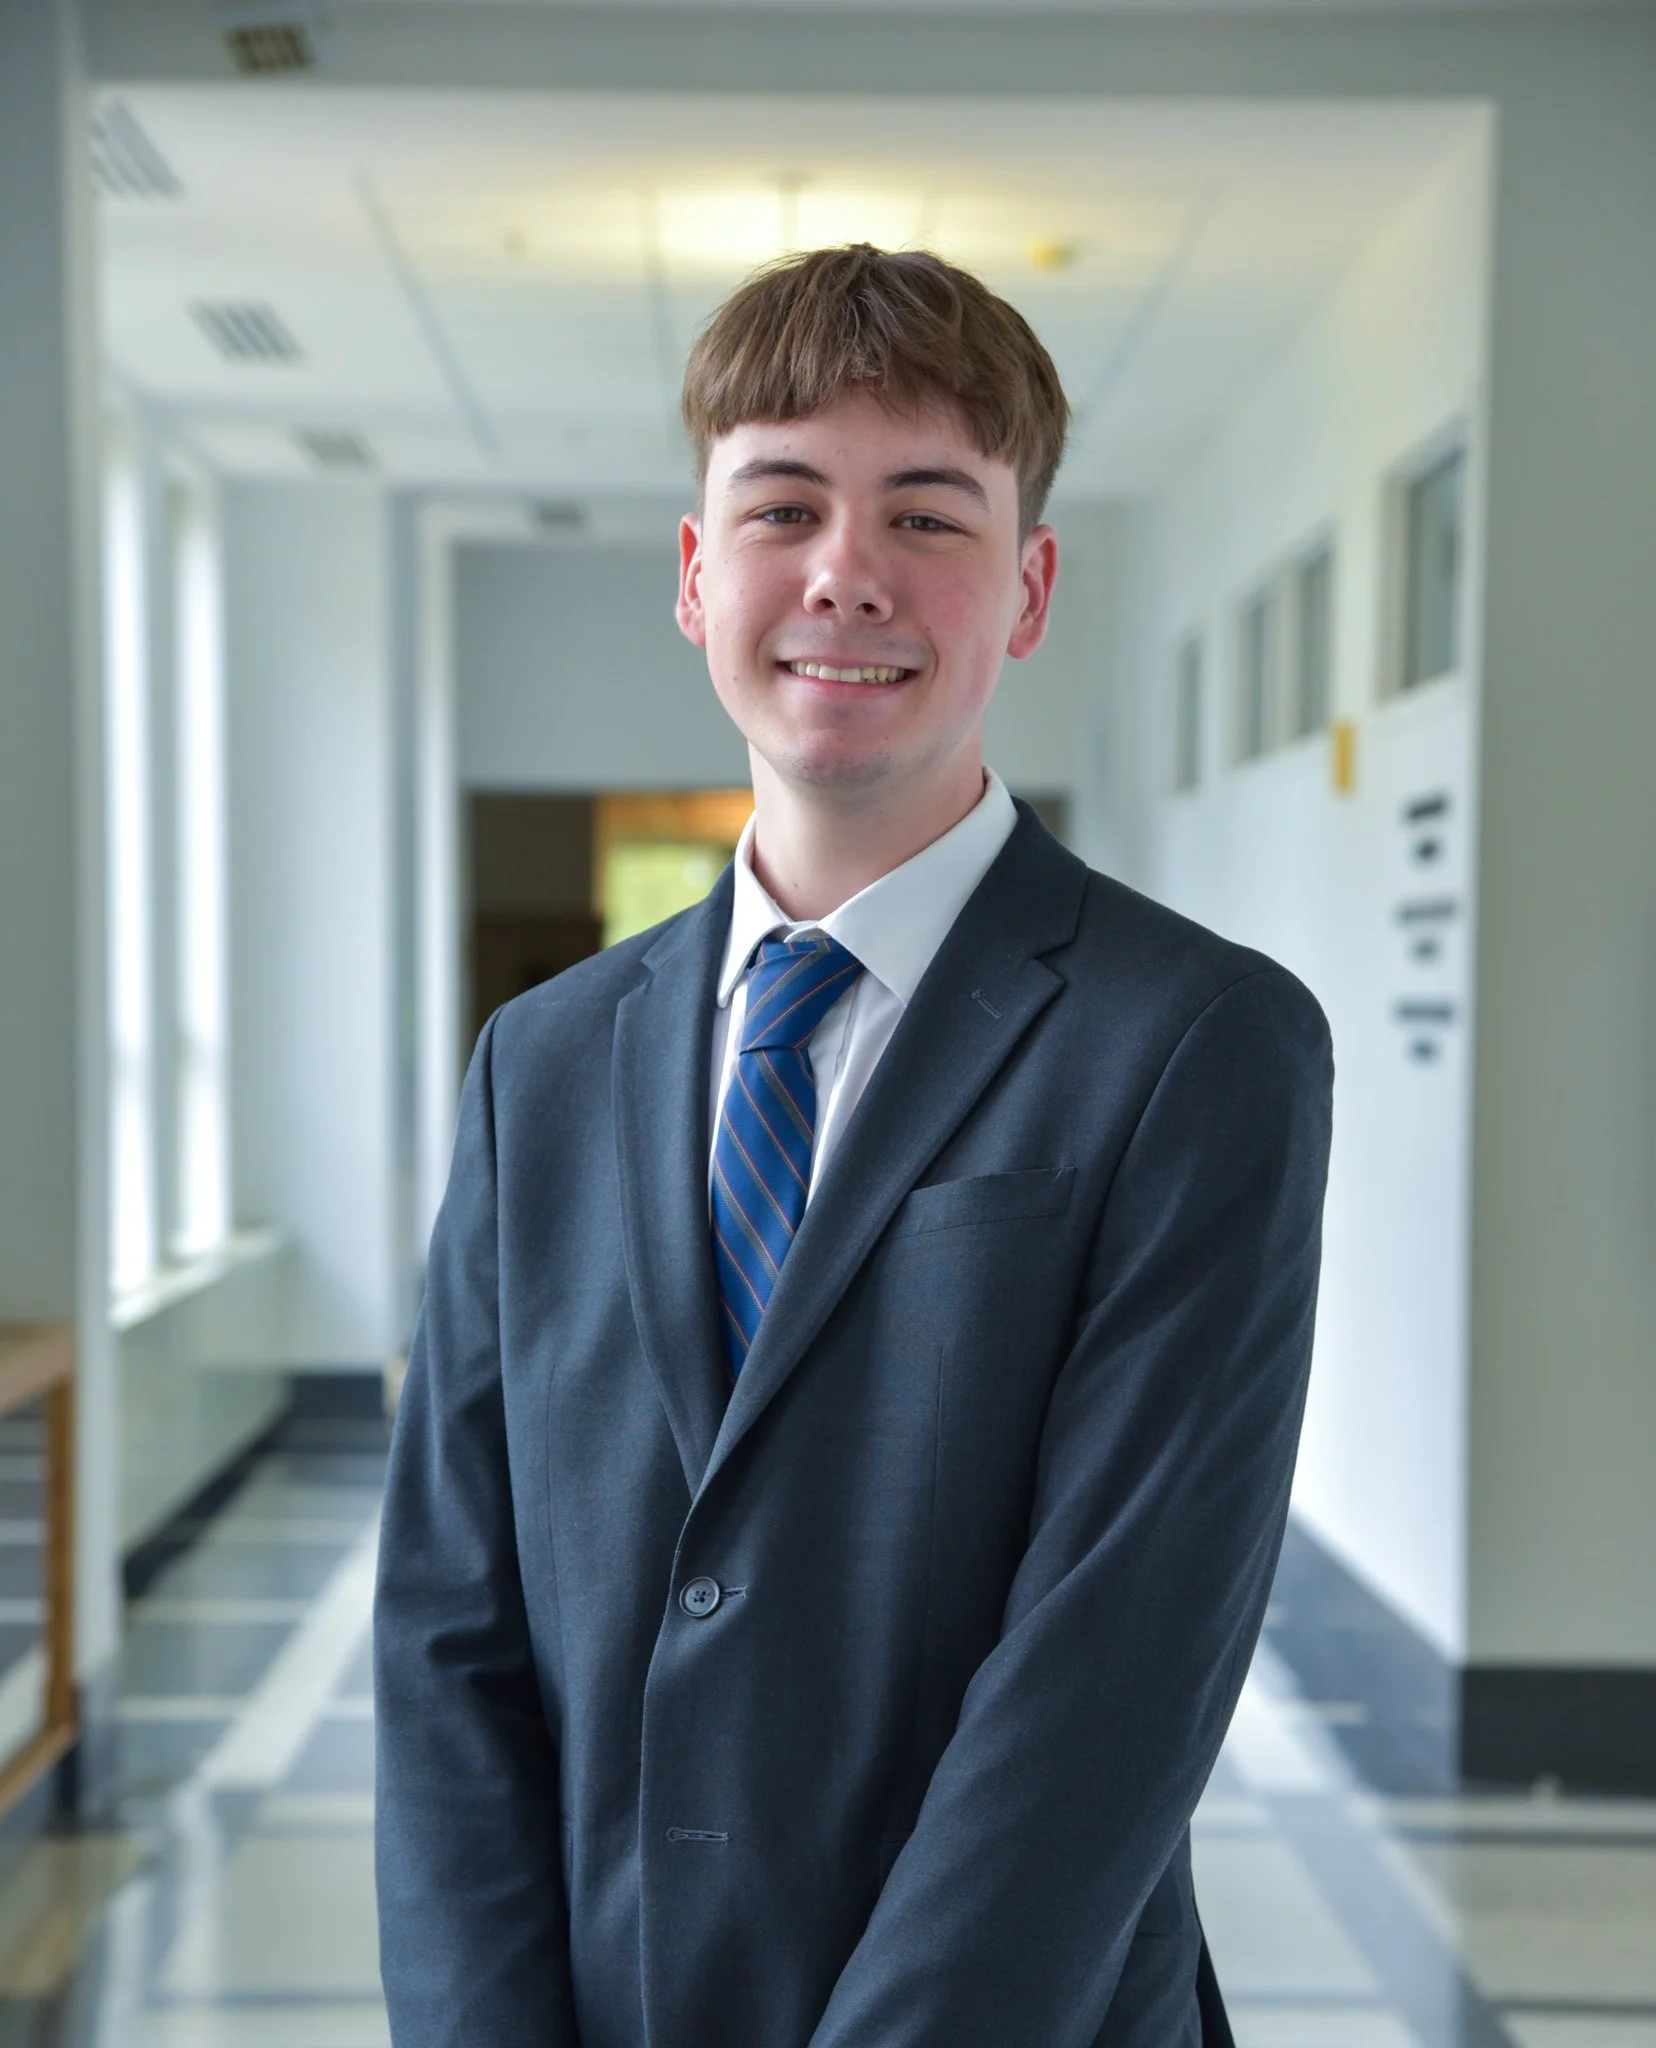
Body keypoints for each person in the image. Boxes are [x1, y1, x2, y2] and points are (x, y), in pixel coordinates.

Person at [374, 243, 1333, 2048]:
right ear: (693, 574)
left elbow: (1111, 1678)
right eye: (784, 504)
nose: (845, 573)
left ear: (1029, 585)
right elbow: (450, 1639)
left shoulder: (1198, 1044)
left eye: (928, 515)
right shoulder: (544, 1065)